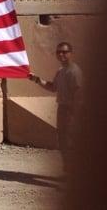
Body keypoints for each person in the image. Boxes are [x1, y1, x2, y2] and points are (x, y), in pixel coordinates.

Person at [29, 42, 83, 174]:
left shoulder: (75, 71)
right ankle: (68, 171)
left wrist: (76, 114)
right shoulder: (61, 71)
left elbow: (79, 93)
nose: (61, 54)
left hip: (72, 110)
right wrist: (36, 80)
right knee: (63, 140)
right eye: (59, 52)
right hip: (62, 109)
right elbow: (53, 87)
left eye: (64, 52)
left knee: (71, 142)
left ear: (71, 53)